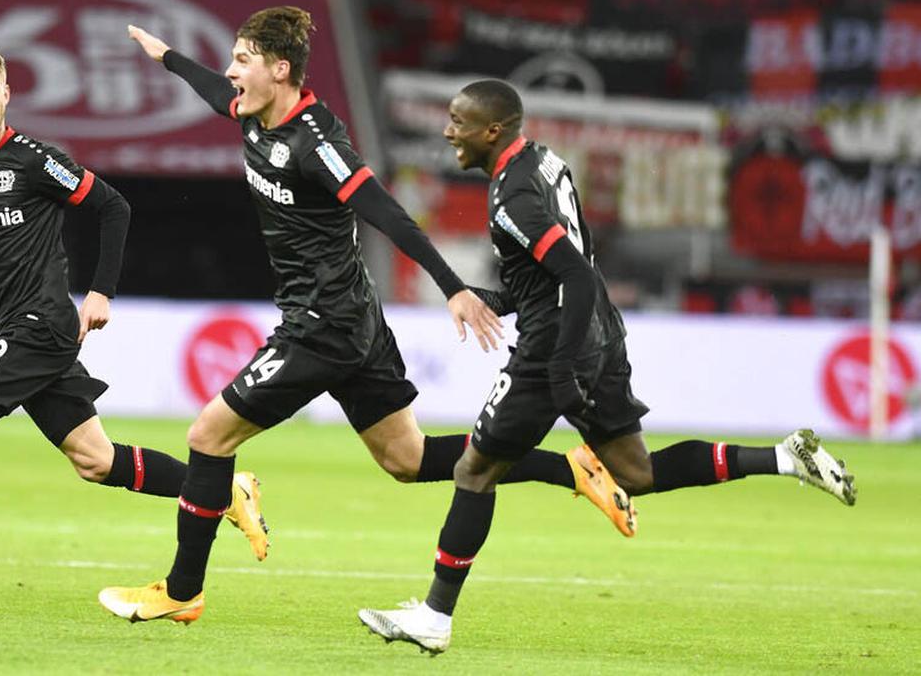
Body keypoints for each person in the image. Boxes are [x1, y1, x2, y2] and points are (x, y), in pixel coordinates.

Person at [356, 79, 858, 654]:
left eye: (457, 121)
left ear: (492, 130)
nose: (448, 132)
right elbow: (555, 271)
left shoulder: (513, 196)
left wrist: (563, 368)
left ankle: (436, 617)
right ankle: (784, 457)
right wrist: (490, 300)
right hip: (599, 332)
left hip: (555, 346)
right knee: (636, 473)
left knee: (475, 471)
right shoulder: (544, 162)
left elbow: (574, 275)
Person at [96, 7, 523, 624]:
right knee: (408, 459)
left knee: (207, 438)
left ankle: (181, 591)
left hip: (322, 324)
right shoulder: (251, 110)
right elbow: (215, 90)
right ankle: (567, 466)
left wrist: (454, 287)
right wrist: (165, 55)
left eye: (242, 60)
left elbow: (387, 213)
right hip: (354, 317)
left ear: (280, 70)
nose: (230, 73)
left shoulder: (317, 144)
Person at [0, 48, 268, 607]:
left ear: (8, 93)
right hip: (19, 325)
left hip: (41, 324)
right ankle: (224, 490)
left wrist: (101, 290)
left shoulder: (35, 159)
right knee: (96, 461)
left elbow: (114, 207)